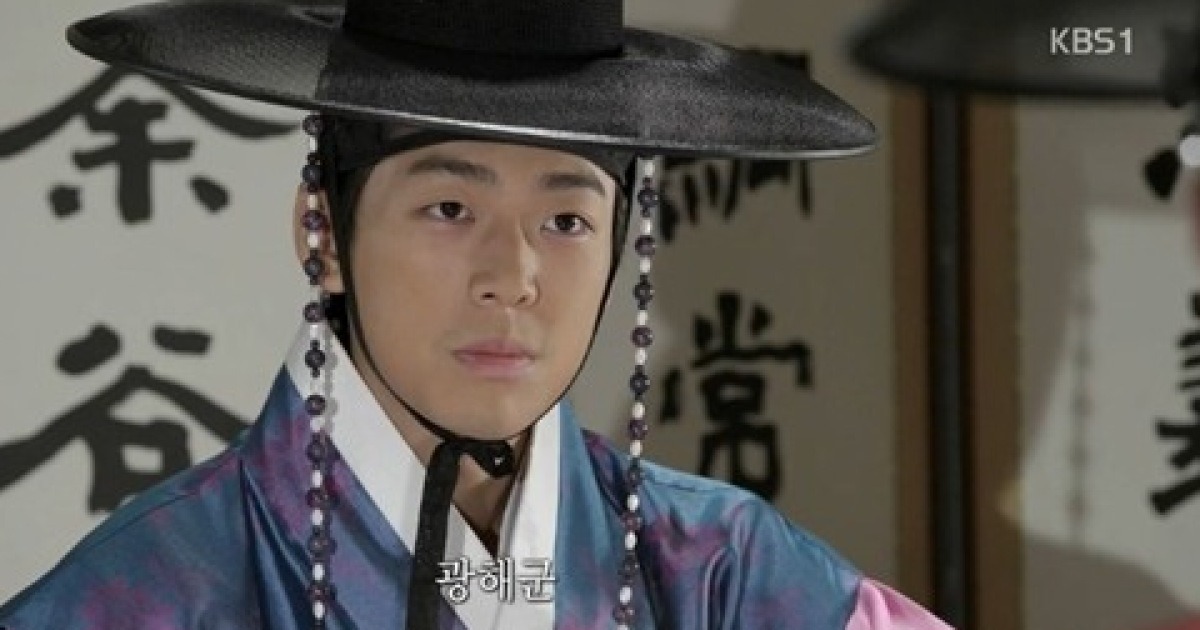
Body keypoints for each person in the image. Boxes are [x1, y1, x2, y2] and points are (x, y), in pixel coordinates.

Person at [0, 0, 952, 628]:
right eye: (450, 207)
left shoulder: (722, 571)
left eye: (567, 219)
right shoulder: (155, 591)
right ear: (321, 230)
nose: (515, 276)